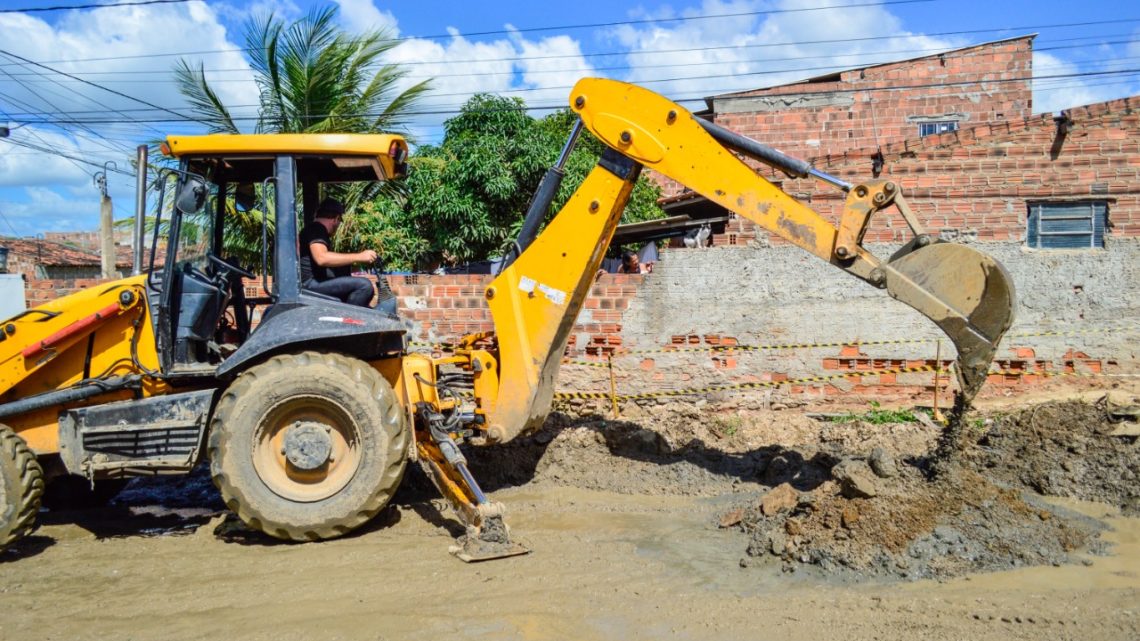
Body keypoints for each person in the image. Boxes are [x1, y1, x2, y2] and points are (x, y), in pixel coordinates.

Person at [299, 198, 376, 307]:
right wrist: (360, 256)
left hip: (313, 282)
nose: (339, 224)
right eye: (339, 221)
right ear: (336, 219)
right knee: (364, 286)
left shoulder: (314, 229)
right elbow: (322, 258)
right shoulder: (316, 229)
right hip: (309, 284)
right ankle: (350, 321)